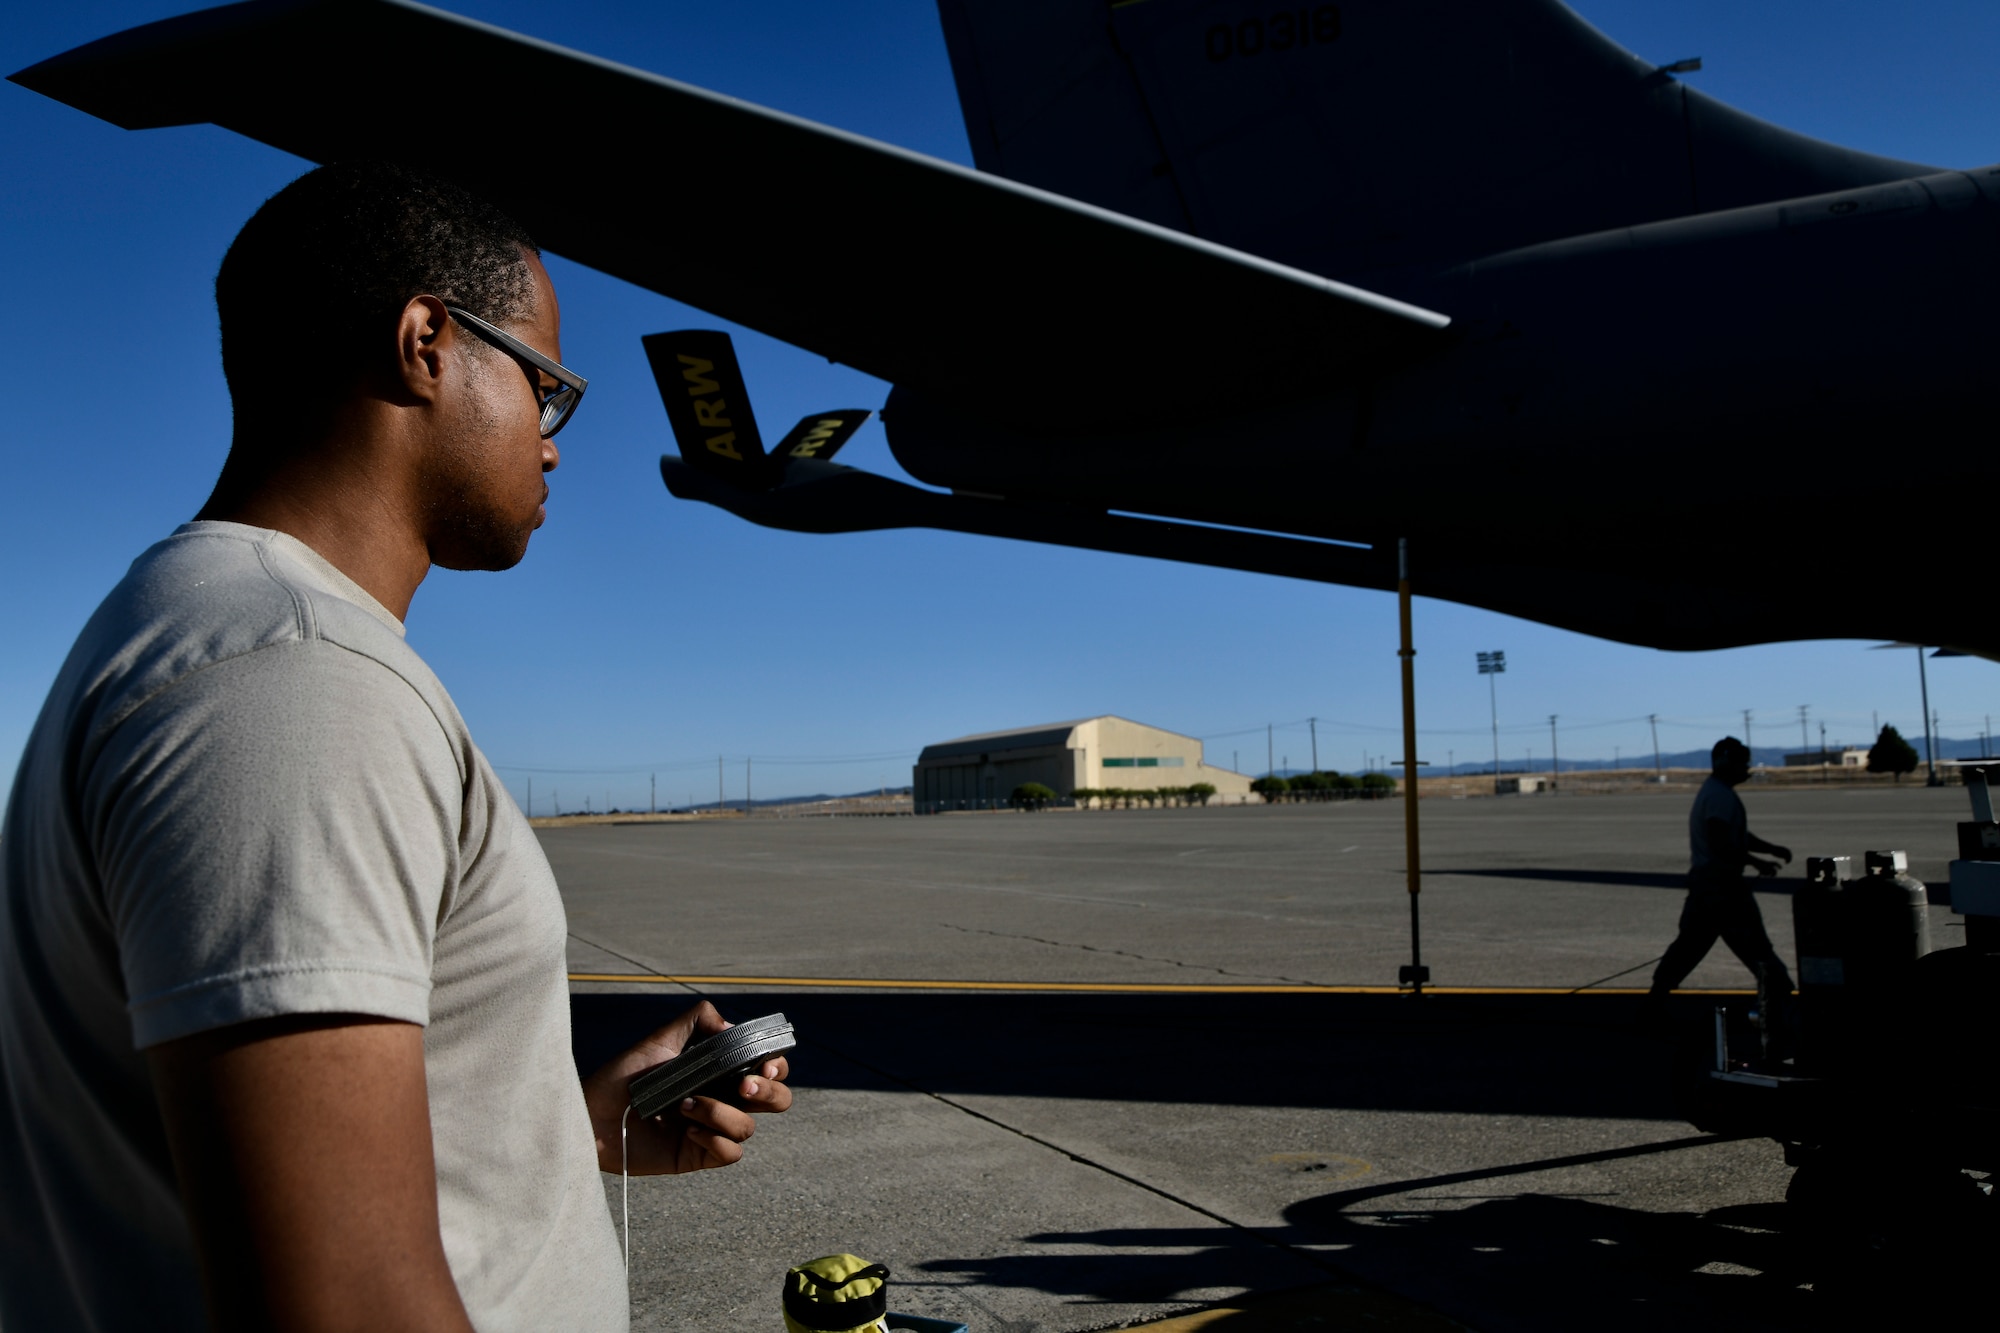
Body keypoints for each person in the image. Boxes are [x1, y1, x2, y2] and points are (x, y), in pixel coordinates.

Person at [0, 162, 789, 1332]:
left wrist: (560, 1129)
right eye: (547, 388)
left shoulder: (206, 631)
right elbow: (345, 1303)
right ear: (426, 342)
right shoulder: (290, 682)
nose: (555, 442)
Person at [1647, 736, 1796, 1012]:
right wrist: (1757, 862)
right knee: (1756, 948)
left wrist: (1769, 849)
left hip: (1708, 886)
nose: (1746, 769)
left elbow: (1735, 835)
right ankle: (1780, 1000)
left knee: (1688, 947)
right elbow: (1721, 842)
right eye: (1742, 763)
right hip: (1722, 887)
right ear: (1725, 763)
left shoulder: (1718, 792)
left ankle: (1654, 1003)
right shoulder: (1718, 796)